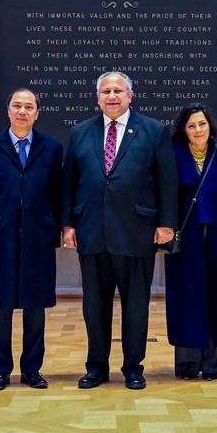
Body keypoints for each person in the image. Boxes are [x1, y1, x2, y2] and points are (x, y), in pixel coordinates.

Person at [61, 71, 179, 390]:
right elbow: (69, 182)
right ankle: (97, 366)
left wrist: (167, 223)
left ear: (131, 95)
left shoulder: (154, 131)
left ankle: (133, 367)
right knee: (94, 306)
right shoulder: (81, 132)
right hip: (92, 232)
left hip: (137, 231)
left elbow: (167, 181)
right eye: (105, 91)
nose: (111, 96)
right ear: (97, 97)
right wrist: (68, 224)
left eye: (118, 90)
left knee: (136, 305)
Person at [0, 89, 63, 391]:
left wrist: (60, 229)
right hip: (0, 238)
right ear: (8, 111)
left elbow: (57, 194)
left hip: (38, 236)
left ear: (38, 112)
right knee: (1, 306)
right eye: (17, 106)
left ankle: (32, 368)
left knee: (35, 307)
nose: (22, 111)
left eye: (29, 107)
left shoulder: (52, 148)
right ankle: (0, 369)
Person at [164, 103, 217, 381]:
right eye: (191, 125)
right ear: (184, 128)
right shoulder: (171, 155)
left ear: (210, 126)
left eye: (202, 124)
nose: (197, 130)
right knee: (187, 298)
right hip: (184, 238)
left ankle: (213, 364)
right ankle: (188, 364)